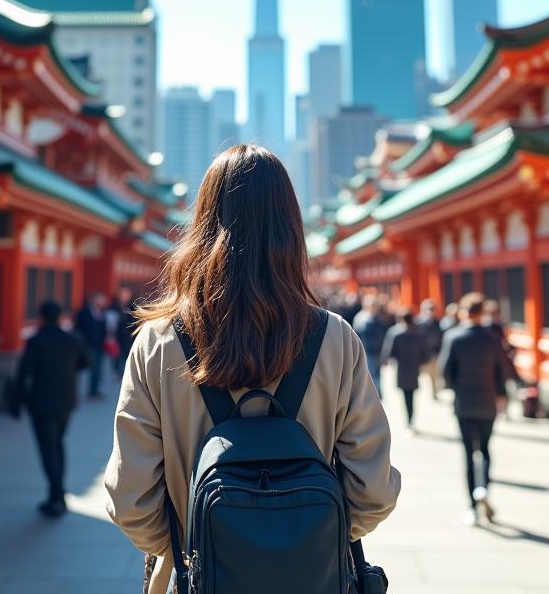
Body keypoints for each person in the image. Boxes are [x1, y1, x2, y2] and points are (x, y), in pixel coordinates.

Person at [104, 145, 400, 594]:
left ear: (201, 224)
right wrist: (302, 539)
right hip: (313, 580)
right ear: (291, 228)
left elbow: (130, 497)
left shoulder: (158, 342)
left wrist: (197, 549)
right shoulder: (335, 339)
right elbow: (373, 491)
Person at [439, 292, 511, 526]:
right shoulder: (492, 338)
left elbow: (445, 371)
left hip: (464, 402)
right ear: (483, 313)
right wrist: (501, 395)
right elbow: (502, 370)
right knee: (486, 449)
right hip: (487, 401)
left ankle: (472, 504)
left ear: (464, 312)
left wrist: (455, 387)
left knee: (469, 452)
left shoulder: (454, 337)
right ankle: (484, 488)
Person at [15, 300, 89, 518]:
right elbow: (85, 363)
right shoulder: (72, 339)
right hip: (66, 401)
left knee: (48, 448)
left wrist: (19, 399)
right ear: (59, 316)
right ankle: (58, 493)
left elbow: (24, 372)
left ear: (41, 316)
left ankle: (56, 496)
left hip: (41, 403)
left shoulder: (36, 341)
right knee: (57, 444)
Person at [381, 311, 428, 431]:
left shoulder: (396, 333)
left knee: (406, 396)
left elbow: (390, 352)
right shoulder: (418, 334)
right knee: (411, 395)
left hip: (402, 368)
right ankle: (411, 419)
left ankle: (409, 421)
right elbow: (425, 353)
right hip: (414, 368)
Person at [75, 292, 108, 399]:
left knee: (98, 369)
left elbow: (103, 328)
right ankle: (81, 391)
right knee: (89, 368)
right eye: (100, 300)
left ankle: (94, 391)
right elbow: (79, 329)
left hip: (99, 345)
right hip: (88, 345)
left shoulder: (101, 312)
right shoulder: (83, 312)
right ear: (93, 300)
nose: (102, 302)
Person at [352, 295, 388, 391]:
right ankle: (375, 394)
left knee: (378, 374)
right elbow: (357, 335)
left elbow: (383, 335)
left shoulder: (378, 317)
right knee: (371, 375)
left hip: (378, 350)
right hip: (367, 351)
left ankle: (379, 394)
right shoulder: (361, 318)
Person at [415, 298, 444, 399]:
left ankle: (434, 393)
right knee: (424, 375)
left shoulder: (438, 322)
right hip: (423, 353)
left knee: (435, 375)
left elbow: (441, 337)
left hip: (434, 353)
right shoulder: (418, 322)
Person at [115, 285, 137, 373]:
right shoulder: (115, 306)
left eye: (126, 293)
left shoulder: (133, 308)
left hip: (128, 340)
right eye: (122, 293)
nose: (124, 295)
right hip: (115, 340)